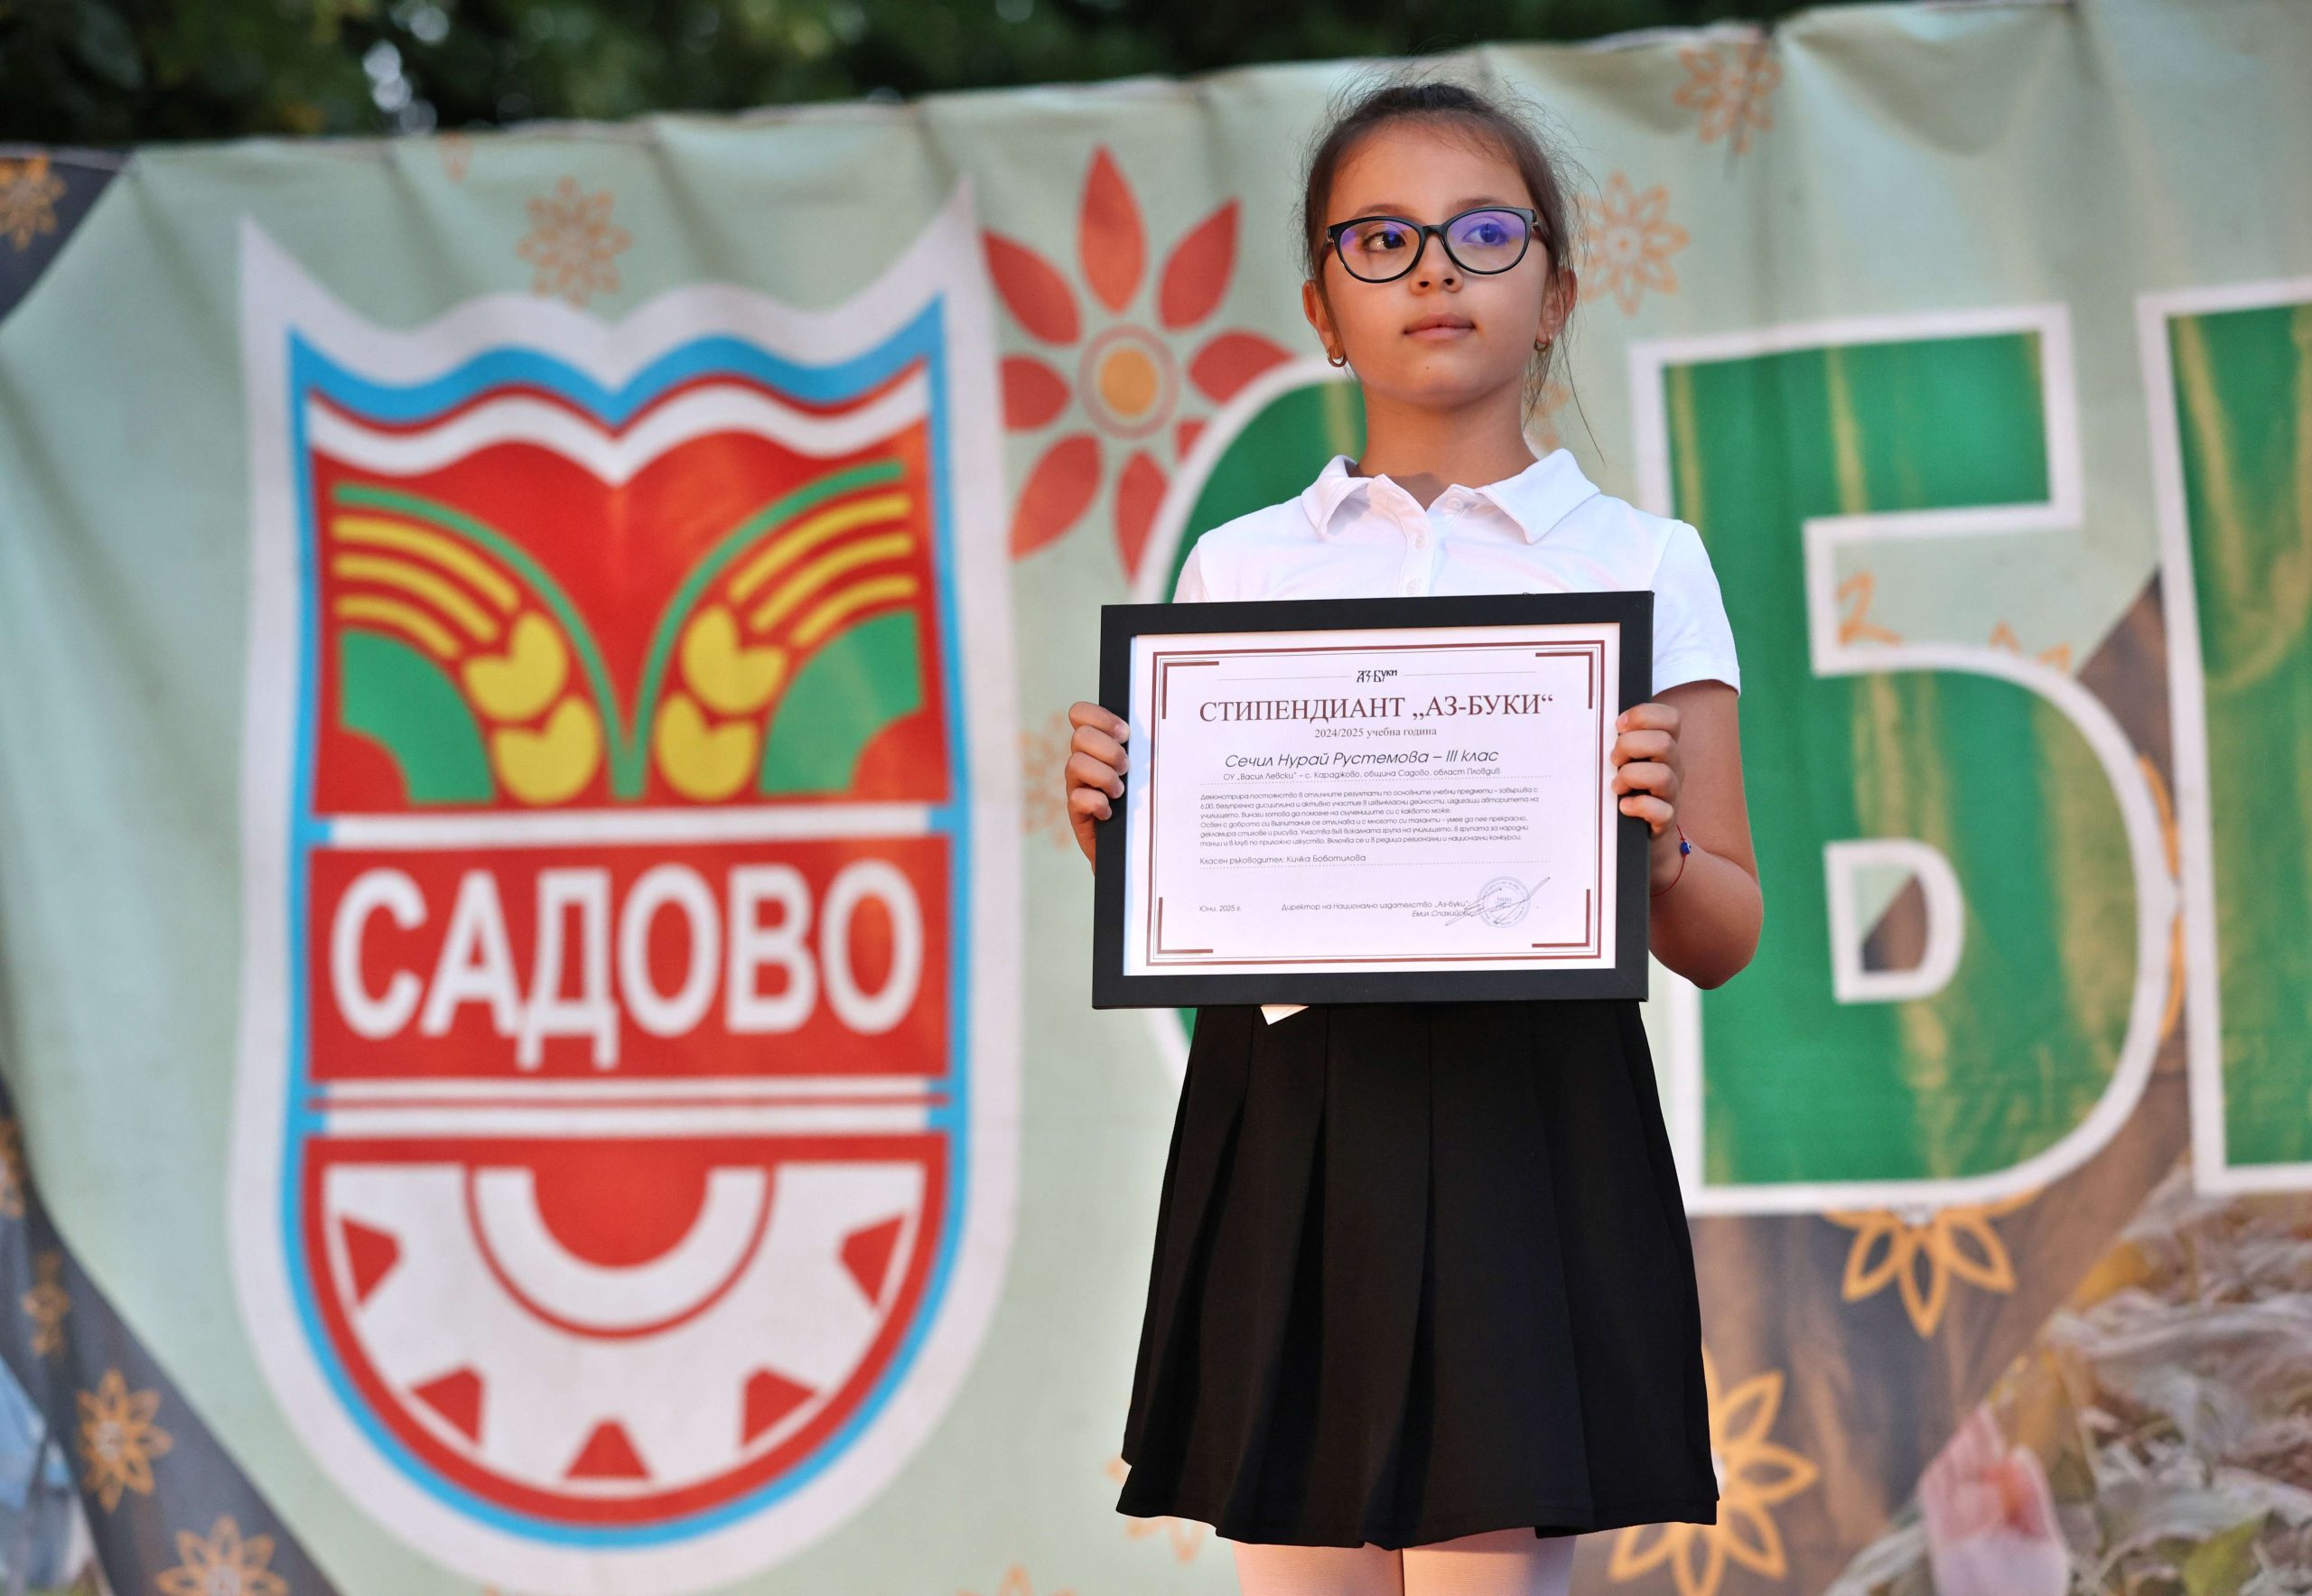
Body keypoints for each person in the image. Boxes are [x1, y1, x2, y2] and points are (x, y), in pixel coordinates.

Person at [1061, 74, 1762, 1596]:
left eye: (1483, 233)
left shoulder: (1644, 561)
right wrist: (1122, 834)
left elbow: (1725, 932)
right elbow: (1201, 900)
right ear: (1323, 309)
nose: (1435, 270)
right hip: (1295, 1120)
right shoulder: (1240, 567)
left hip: (1525, 1117)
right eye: (1380, 241)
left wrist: (1653, 859)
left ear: (1556, 292)